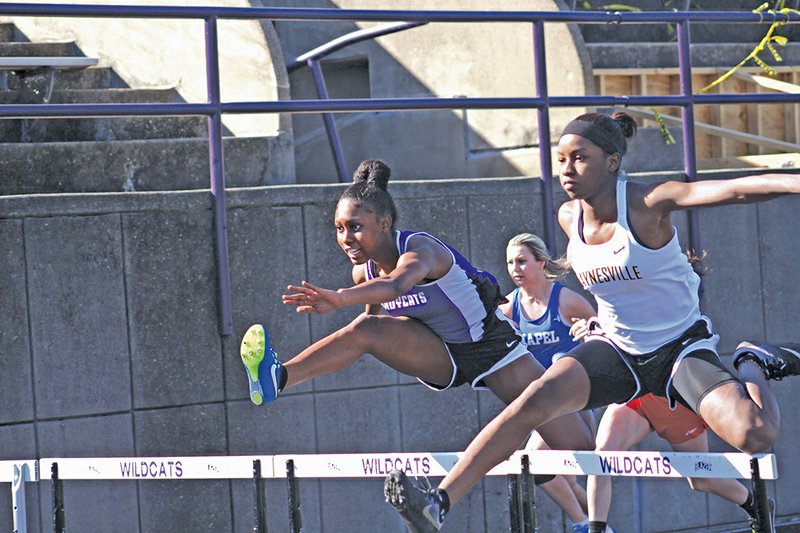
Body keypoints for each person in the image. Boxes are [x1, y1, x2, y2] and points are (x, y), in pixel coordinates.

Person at [383, 111, 800, 533]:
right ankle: (438, 501)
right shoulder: (569, 218)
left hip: (678, 348)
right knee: (531, 402)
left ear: (612, 162)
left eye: (579, 158)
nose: (566, 169)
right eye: (561, 159)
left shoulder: (646, 202)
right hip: (617, 349)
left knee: (755, 436)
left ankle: (754, 363)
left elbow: (737, 189)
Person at [238, 159, 594, 456]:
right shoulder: (363, 272)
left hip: (492, 351)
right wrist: (364, 324)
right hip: (442, 356)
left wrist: (341, 297)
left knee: (580, 448)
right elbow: (368, 328)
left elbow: (394, 286)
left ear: (385, 223)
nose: (346, 238)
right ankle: (278, 377)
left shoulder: (421, 249)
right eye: (339, 228)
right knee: (366, 330)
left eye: (356, 227)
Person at [500, 232, 598, 533]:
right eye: (510, 263)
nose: (515, 268)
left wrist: (588, 330)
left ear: (541, 263)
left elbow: (603, 334)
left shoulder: (566, 300)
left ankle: (583, 524)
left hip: (575, 395)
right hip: (543, 402)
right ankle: (596, 526)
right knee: (559, 476)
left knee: (536, 464)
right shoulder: (510, 308)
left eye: (522, 261)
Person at [589, 392, 771, 533]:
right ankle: (596, 529)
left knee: (701, 479)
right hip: (636, 395)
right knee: (602, 458)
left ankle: (756, 505)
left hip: (674, 401)